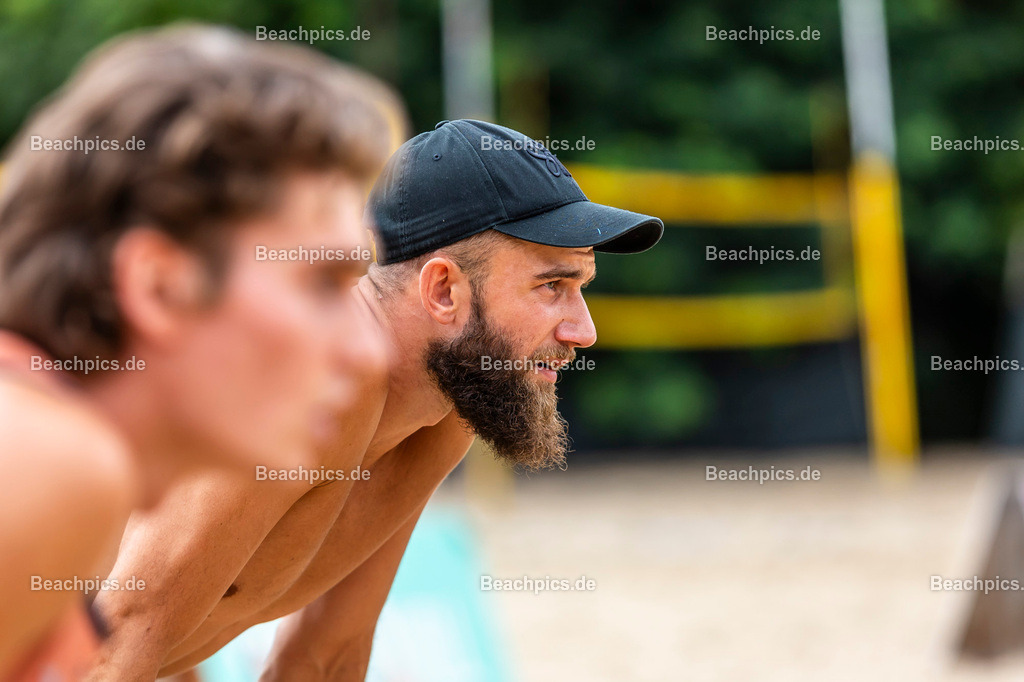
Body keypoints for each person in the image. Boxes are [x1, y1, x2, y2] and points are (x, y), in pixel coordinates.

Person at [89, 119, 663, 681]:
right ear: (443, 290)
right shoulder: (308, 378)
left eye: (579, 288)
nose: (583, 331)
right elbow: (114, 639)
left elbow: (325, 659)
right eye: (551, 286)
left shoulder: (440, 408)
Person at [0, 24, 399, 681]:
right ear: (157, 285)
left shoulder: (60, 445)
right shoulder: (53, 460)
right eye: (321, 284)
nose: (366, 351)